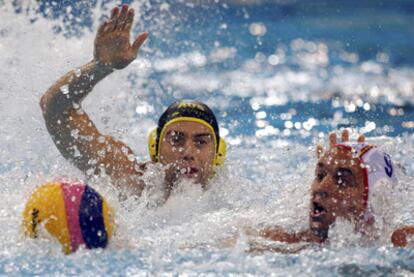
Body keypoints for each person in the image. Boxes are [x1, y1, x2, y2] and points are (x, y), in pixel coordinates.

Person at [40, 4, 226, 200]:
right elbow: (54, 107)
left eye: (201, 142)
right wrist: (100, 67)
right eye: (176, 139)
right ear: (154, 148)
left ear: (217, 153)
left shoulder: (228, 204)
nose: (188, 152)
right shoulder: (129, 181)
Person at [258, 129, 399, 245]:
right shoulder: (281, 243)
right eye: (320, 175)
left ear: (374, 199)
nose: (321, 188)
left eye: (342, 180)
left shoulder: (398, 244)